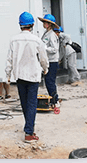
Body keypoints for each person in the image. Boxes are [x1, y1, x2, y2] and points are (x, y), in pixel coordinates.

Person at [6, 12, 49, 143]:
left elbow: (9, 59)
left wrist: (8, 74)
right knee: (31, 104)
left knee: (24, 103)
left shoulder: (13, 40)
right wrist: (45, 68)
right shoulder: (36, 40)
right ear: (32, 25)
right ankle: (29, 132)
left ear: (20, 25)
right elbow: (43, 58)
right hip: (33, 75)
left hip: (19, 76)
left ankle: (29, 127)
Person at [38, 14, 60, 114]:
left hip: (52, 61)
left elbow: (55, 49)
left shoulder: (52, 35)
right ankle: (53, 99)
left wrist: (45, 49)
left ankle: (55, 100)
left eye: (45, 23)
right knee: (48, 81)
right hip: (48, 60)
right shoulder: (46, 34)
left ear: (49, 24)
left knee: (50, 81)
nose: (43, 24)